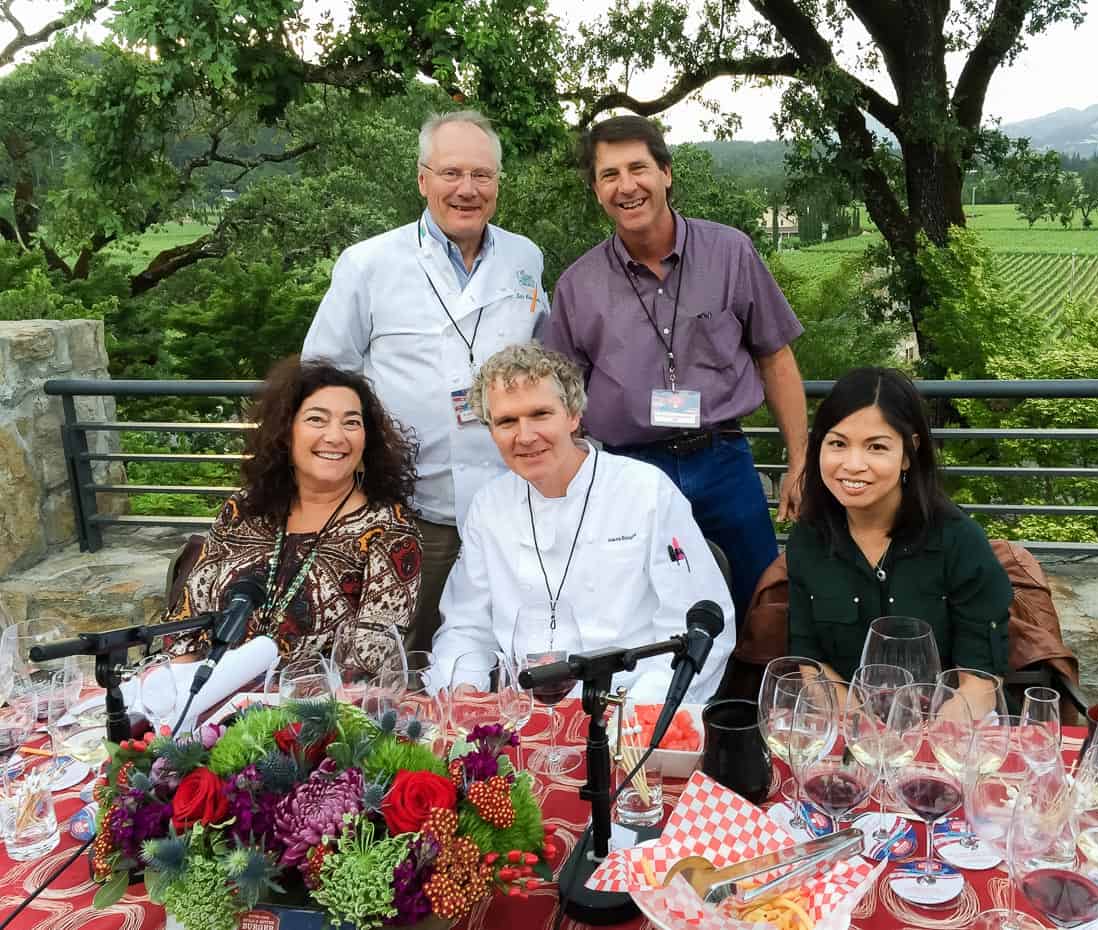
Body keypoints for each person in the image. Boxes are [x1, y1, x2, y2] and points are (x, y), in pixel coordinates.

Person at [302, 109, 550, 653]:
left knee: (514, 646)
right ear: (422, 179)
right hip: (413, 510)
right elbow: (322, 377)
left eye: (482, 176)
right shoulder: (368, 264)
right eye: (451, 173)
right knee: (402, 653)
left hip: (514, 502)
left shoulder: (524, 257)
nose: (467, 189)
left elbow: (544, 362)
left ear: (498, 183)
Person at [544, 115, 807, 625]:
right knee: (641, 613)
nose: (627, 186)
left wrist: (799, 458)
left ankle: (752, 702)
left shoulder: (730, 252)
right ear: (596, 189)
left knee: (760, 601)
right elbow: (562, 399)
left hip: (723, 459)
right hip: (628, 469)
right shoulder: (577, 286)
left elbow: (775, 356)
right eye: (609, 174)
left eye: (638, 168)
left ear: (666, 172)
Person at [432, 343, 734, 703]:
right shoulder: (488, 506)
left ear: (573, 415)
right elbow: (466, 625)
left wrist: (637, 715)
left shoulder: (645, 491)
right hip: (523, 714)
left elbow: (696, 627)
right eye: (507, 421)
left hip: (630, 706)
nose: (525, 436)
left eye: (541, 414)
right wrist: (465, 688)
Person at [167, 357, 422, 672]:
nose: (336, 436)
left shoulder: (388, 529)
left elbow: (368, 665)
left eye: (352, 422)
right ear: (286, 432)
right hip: (205, 694)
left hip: (314, 710)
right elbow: (186, 623)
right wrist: (179, 700)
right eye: (317, 419)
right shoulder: (243, 510)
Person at [787, 367, 1012, 690]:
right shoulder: (809, 539)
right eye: (837, 443)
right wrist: (861, 728)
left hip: (945, 725)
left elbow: (980, 681)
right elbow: (812, 664)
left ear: (908, 452)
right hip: (849, 726)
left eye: (876, 447)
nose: (852, 464)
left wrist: (917, 736)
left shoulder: (958, 540)